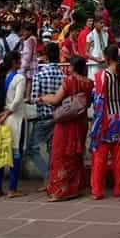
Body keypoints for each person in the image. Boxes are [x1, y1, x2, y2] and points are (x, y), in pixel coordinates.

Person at [40, 56, 93, 202]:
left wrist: (43, 98)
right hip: (80, 123)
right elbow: (87, 104)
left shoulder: (68, 81)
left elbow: (56, 99)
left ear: (73, 67)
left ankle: (59, 191)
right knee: (75, 156)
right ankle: (74, 188)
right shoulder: (89, 83)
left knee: (61, 156)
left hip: (66, 125)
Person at [90, 45, 120, 200]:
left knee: (100, 157)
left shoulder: (101, 76)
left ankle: (97, 190)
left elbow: (98, 100)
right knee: (119, 157)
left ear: (107, 58)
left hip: (105, 119)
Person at [0, 52, 27, 198]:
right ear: (14, 62)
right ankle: (12, 188)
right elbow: (18, 99)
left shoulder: (0, 78)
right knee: (16, 153)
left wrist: (0, 114)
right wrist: (7, 112)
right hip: (15, 118)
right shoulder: (19, 78)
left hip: (0, 119)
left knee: (0, 152)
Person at [27, 42, 62, 188]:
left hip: (44, 117)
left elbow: (35, 98)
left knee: (31, 149)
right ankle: (53, 178)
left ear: (45, 57)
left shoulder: (39, 75)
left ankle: (47, 176)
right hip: (58, 116)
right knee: (52, 149)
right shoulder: (63, 74)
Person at [19, 23, 38, 89]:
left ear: (31, 31)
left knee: (28, 80)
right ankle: (27, 96)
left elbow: (28, 53)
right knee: (29, 80)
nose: (24, 33)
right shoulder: (33, 38)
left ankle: (27, 96)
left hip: (29, 63)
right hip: (32, 61)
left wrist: (25, 65)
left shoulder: (30, 39)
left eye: (25, 31)